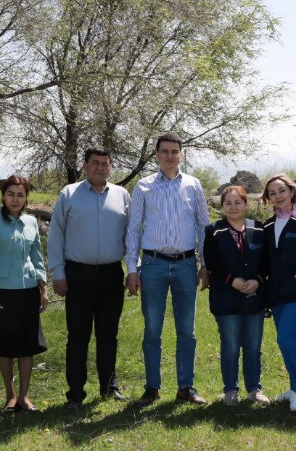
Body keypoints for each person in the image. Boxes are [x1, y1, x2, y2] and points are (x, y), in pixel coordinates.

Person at [125, 132, 212, 407]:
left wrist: (205, 264)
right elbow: (133, 229)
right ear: (157, 155)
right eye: (165, 151)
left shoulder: (193, 185)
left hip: (186, 264)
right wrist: (132, 269)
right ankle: (152, 388)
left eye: (175, 151)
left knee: (187, 330)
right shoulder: (144, 186)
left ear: (181, 154)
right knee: (152, 329)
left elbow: (203, 226)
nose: (170, 156)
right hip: (153, 264)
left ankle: (186, 387)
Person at [48, 147, 131, 409]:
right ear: (85, 165)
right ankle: (75, 392)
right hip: (77, 275)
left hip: (111, 274)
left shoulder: (122, 195)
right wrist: (58, 272)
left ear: (111, 167)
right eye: (95, 163)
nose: (100, 168)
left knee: (109, 335)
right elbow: (56, 234)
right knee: (78, 336)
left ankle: (109, 387)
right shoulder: (69, 193)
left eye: (105, 163)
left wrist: (134, 269)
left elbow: (131, 236)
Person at [0, 175, 49, 413]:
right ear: (3, 196)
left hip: (29, 291)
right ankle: (10, 396)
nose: (15, 199)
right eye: (11, 194)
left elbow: (37, 257)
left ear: (26, 198)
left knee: (28, 345)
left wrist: (43, 288)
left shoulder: (31, 222)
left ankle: (24, 396)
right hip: (3, 293)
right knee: (8, 345)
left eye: (20, 195)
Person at [204, 185, 270, 406]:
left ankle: (254, 389)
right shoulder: (214, 230)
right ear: (222, 206)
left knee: (253, 346)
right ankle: (230, 390)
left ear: (246, 204)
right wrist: (232, 280)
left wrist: (257, 281)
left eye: (237, 202)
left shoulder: (259, 228)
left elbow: (267, 261)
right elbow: (212, 261)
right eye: (228, 203)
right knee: (230, 346)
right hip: (225, 297)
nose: (233, 207)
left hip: (254, 297)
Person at [261, 173, 296, 412]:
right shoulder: (268, 225)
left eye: (281, 191)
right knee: (291, 339)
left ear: (291, 191)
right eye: (272, 193)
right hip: (275, 291)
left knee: (285, 337)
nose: (278, 196)